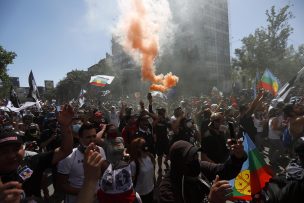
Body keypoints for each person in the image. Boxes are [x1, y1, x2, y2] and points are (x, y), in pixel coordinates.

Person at [0, 104, 74, 202]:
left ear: (23, 148)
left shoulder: (33, 161)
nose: (11, 155)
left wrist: (65, 126)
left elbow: (65, 150)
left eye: (16, 149)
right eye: (5, 151)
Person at [159, 139, 247, 203]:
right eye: (191, 158)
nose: (196, 160)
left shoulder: (200, 166)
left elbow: (223, 171)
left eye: (196, 155)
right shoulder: (167, 190)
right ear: (180, 164)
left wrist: (237, 158)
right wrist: (210, 201)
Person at [56, 122, 106, 203]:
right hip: (76, 199)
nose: (92, 140)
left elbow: (103, 173)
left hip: (98, 197)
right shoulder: (69, 157)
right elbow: (62, 185)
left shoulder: (100, 150)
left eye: (94, 136)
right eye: (88, 137)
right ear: (80, 138)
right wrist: (87, 192)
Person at [129, 138, 155, 203]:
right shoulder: (134, 164)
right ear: (138, 148)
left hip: (151, 190)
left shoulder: (150, 157)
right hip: (140, 194)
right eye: (143, 145)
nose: (146, 146)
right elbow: (131, 181)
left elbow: (152, 173)